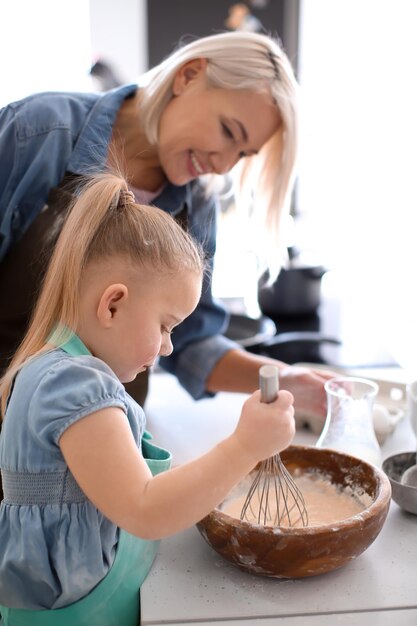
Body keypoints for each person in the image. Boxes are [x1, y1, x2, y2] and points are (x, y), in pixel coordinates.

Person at [0, 172, 296, 622]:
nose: (168, 346)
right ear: (112, 304)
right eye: (165, 325)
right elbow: (144, 508)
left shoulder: (58, 366)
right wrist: (245, 446)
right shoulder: (75, 386)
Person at [0, 30, 335, 427]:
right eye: (229, 131)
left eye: (242, 154)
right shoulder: (36, 134)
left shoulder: (198, 203)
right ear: (188, 75)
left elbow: (190, 343)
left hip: (113, 445)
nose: (224, 164)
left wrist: (286, 380)